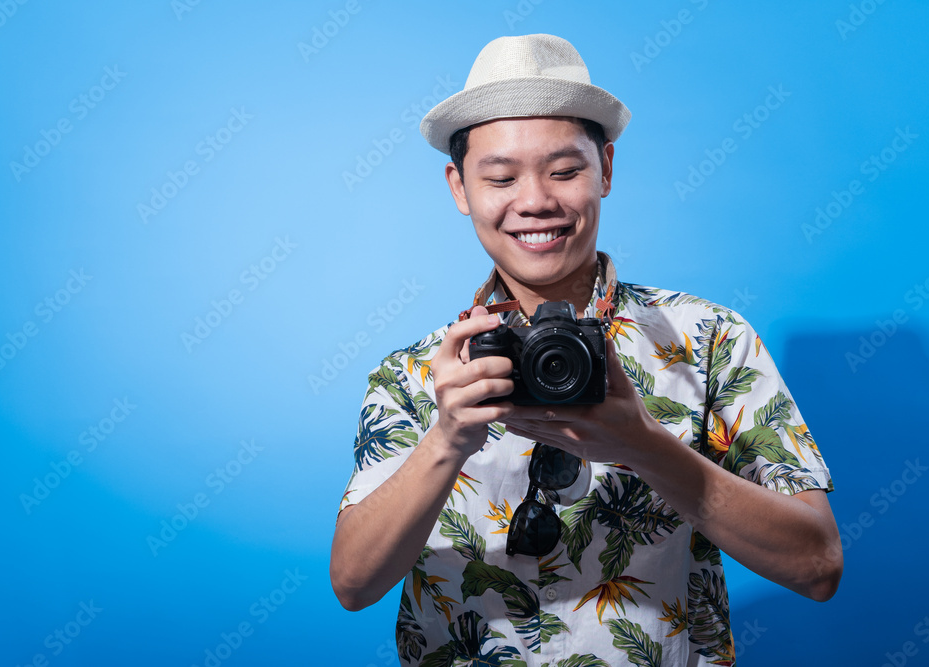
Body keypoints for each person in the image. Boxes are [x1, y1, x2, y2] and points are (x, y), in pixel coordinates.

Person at [331, 33, 841, 666]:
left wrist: (644, 446)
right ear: (460, 189)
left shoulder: (708, 340)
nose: (536, 201)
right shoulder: (413, 376)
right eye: (500, 177)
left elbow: (817, 566)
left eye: (564, 170)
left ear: (605, 169)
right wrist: (447, 439)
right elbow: (353, 585)